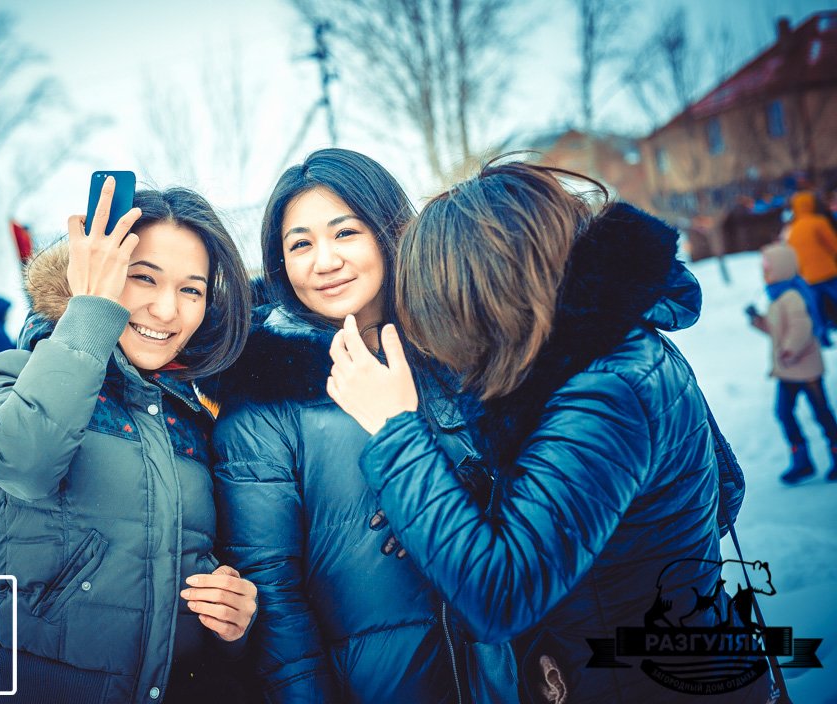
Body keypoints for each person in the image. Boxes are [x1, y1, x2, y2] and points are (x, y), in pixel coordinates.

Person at [326, 161, 775, 703]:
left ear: (488, 290)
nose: (445, 338)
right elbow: (713, 497)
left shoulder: (607, 389)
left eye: (442, 309)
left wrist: (395, 430)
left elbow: (499, 597)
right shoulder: (605, 347)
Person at [210, 148, 517, 703]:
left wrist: (434, 499)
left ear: (388, 232)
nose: (325, 261)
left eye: (345, 232)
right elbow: (273, 597)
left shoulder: (460, 349)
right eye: (300, 244)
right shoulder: (264, 398)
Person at [0, 179, 257, 704]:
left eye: (191, 290)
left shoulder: (196, 417)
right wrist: (92, 309)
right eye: (143, 277)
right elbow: (23, 463)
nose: (167, 310)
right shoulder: (11, 376)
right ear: (99, 271)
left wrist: (232, 622)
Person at [748, 243, 837, 483]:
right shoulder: (777, 296)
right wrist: (758, 320)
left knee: (821, 412)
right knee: (784, 412)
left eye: (768, 268)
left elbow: (802, 327)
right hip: (788, 370)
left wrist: (790, 349)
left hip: (806, 367)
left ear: (782, 267)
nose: (764, 273)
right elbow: (777, 330)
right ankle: (801, 459)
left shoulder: (793, 295)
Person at [784, 191, 837, 326]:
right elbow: (834, 244)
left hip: (807, 276)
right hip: (827, 271)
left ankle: (822, 333)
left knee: (817, 308)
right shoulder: (818, 221)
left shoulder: (792, 228)